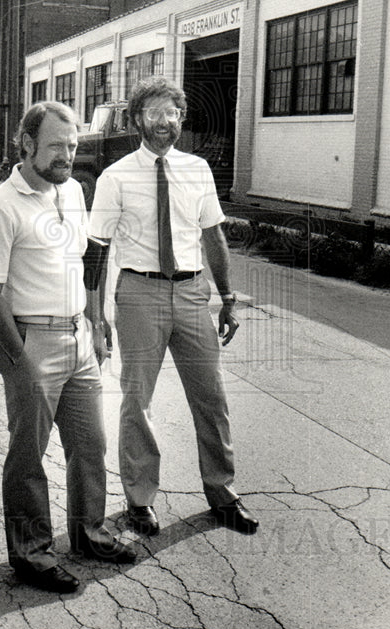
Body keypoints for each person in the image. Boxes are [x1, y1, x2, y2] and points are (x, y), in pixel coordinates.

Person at [84, 77, 259, 538]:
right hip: (139, 293)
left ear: (181, 119)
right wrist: (96, 314)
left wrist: (228, 297)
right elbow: (96, 249)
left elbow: (213, 235)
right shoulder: (115, 176)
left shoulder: (197, 169)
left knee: (211, 396)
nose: (164, 123)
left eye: (172, 114)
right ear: (136, 119)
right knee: (137, 400)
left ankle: (222, 492)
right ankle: (140, 500)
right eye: (154, 113)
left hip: (191, 292)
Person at [0, 101, 136, 594]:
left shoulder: (73, 191)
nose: (67, 154)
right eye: (56, 146)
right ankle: (31, 553)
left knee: (90, 446)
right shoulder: (0, 207)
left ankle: (89, 533)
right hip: (31, 342)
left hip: (78, 337)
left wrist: (95, 319)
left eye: (72, 145)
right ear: (26, 144)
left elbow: (85, 261)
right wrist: (19, 356)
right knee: (28, 457)